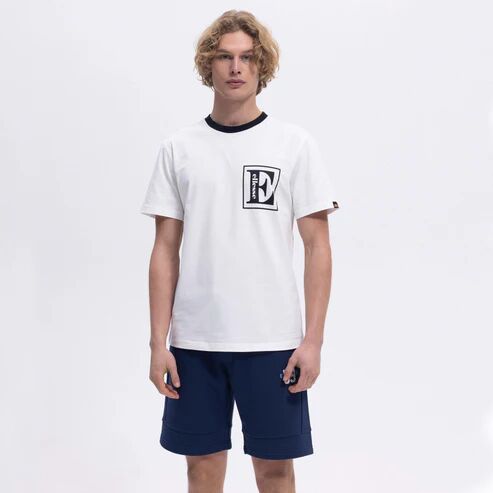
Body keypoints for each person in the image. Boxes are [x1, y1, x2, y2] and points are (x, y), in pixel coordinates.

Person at [140, 9, 340, 493]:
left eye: (247, 58)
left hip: (272, 343)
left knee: (274, 471)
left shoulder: (293, 145)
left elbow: (317, 247)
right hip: (195, 344)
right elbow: (165, 250)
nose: (235, 67)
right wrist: (158, 343)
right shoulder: (178, 148)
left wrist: (312, 341)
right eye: (225, 57)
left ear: (261, 65)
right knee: (202, 469)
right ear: (207, 65)